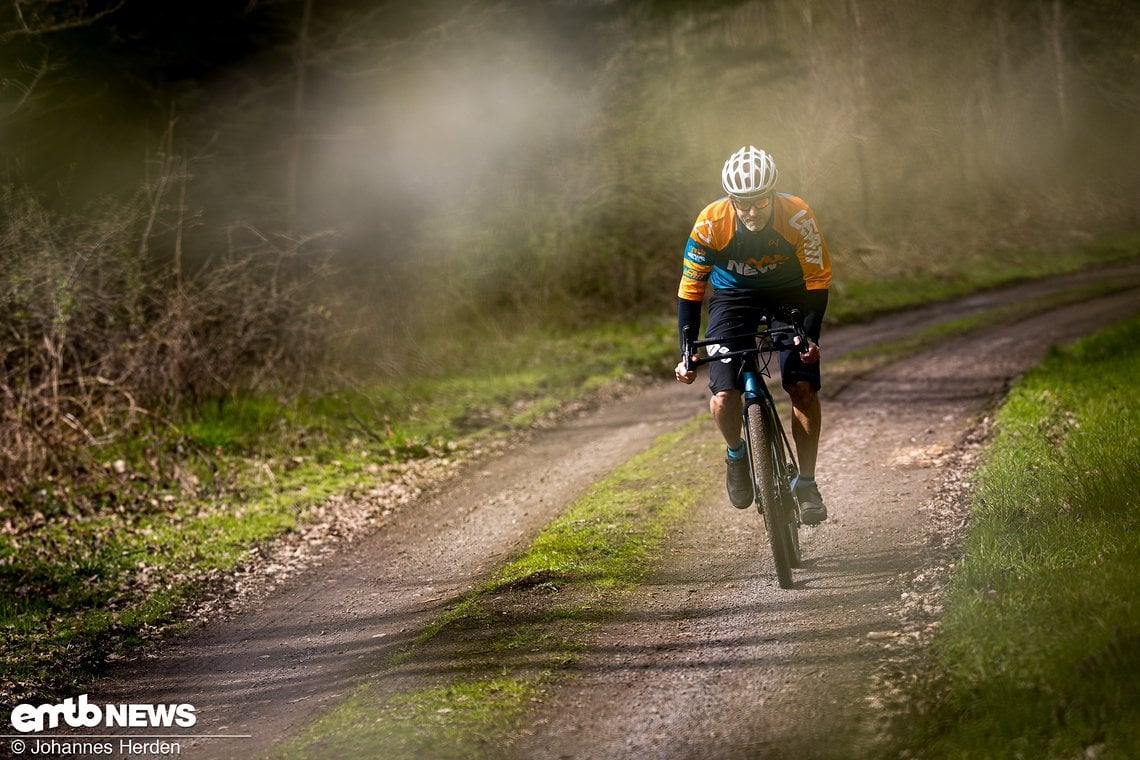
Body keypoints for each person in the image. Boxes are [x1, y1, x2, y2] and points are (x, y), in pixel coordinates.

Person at [673, 145, 832, 524]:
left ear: (772, 194)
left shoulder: (797, 216)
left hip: (790, 294)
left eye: (759, 202)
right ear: (731, 199)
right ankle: (736, 453)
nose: (751, 211)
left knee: (802, 388)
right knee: (724, 396)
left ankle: (806, 482)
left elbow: (817, 280)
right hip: (732, 298)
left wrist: (808, 338)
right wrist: (685, 351)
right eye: (742, 203)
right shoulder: (711, 223)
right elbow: (691, 290)